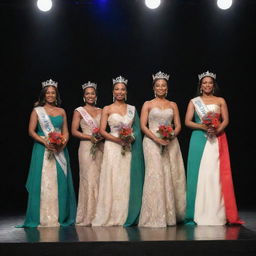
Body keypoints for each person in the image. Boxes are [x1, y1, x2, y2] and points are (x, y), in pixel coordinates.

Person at [184, 71, 243, 225]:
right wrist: (202, 126)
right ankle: (197, 212)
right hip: (199, 139)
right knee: (200, 174)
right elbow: (187, 121)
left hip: (217, 139)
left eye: (210, 82)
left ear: (213, 85)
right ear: (201, 86)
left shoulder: (220, 100)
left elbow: (226, 120)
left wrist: (217, 129)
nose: (207, 85)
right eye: (204, 83)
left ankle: (218, 212)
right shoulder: (194, 101)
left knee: (216, 174)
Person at [17, 79, 76, 228]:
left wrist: (62, 144)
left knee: (60, 182)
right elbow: (31, 131)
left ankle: (60, 216)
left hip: (60, 150)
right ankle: (42, 216)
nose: (50, 95)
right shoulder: (37, 111)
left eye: (53, 92)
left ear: (56, 95)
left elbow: (66, 132)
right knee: (43, 181)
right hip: (42, 150)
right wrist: (45, 142)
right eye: (48, 92)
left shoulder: (61, 111)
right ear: (44, 95)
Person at [91, 75, 144, 227]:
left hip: (127, 147)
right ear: (113, 92)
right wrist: (117, 140)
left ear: (126, 92)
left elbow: (137, 130)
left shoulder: (132, 109)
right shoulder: (107, 108)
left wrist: (130, 138)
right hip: (112, 146)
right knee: (112, 178)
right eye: (117, 89)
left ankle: (127, 212)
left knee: (126, 178)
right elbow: (102, 130)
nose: (120, 92)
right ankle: (111, 214)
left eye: (122, 89)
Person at [138, 71, 186, 227]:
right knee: (156, 174)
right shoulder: (148, 104)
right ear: (154, 87)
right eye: (158, 85)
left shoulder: (173, 105)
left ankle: (170, 215)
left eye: (163, 85)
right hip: (151, 141)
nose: (160, 87)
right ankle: (154, 215)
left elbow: (178, 125)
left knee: (170, 174)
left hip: (170, 141)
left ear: (167, 88)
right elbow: (143, 126)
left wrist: (171, 135)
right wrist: (156, 138)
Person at [71, 81, 103, 226]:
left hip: (100, 146)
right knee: (88, 178)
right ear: (84, 96)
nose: (90, 96)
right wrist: (89, 137)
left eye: (93, 93)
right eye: (87, 93)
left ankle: (100, 213)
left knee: (100, 178)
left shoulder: (101, 110)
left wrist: (101, 136)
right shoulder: (79, 111)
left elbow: (104, 130)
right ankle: (88, 215)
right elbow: (74, 131)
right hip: (85, 147)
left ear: (96, 96)